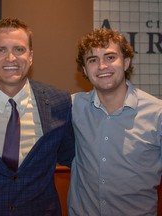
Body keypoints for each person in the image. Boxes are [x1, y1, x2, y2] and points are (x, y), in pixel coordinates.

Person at [0, 18, 75, 216]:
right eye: (1, 50)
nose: (11, 58)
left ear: (31, 56)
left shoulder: (59, 102)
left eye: (19, 49)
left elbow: (73, 159)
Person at [68, 28, 162, 215]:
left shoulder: (157, 114)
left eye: (110, 57)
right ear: (85, 70)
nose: (102, 66)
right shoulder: (72, 106)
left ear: (126, 62)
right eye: (93, 60)